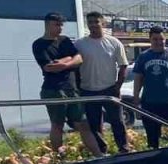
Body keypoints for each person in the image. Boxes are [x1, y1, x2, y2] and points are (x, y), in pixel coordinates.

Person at [31, 13, 103, 155]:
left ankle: (98, 155)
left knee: (83, 124)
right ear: (47, 25)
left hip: (72, 89)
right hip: (53, 90)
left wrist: (64, 62)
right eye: (56, 24)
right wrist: (69, 61)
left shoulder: (65, 41)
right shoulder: (39, 44)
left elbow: (79, 59)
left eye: (61, 25)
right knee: (58, 125)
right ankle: (59, 157)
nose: (60, 28)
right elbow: (49, 67)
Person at [74, 12, 131, 153]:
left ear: (103, 24)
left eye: (96, 22)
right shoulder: (79, 44)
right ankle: (101, 150)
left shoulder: (114, 43)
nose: (93, 25)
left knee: (117, 121)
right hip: (88, 90)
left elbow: (123, 66)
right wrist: (78, 87)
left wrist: (118, 86)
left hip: (109, 89)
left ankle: (124, 149)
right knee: (94, 124)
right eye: (90, 22)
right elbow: (74, 67)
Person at [131, 27, 168, 148]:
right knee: (152, 138)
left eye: (161, 39)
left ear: (165, 39)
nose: (159, 42)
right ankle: (154, 161)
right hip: (150, 103)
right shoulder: (143, 57)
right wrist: (136, 97)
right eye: (155, 39)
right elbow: (138, 79)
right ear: (150, 40)